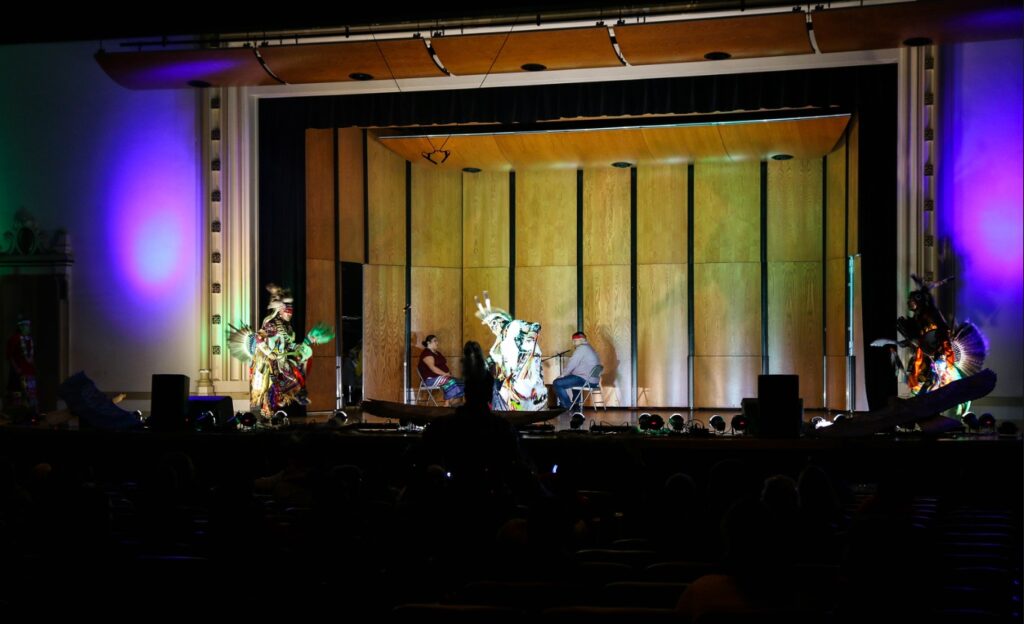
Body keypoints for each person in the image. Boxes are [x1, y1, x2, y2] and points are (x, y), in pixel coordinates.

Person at [228, 284, 334, 422]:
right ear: (279, 310)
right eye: (287, 311)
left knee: (294, 377)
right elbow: (258, 338)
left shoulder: (287, 328)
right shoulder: (272, 324)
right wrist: (269, 353)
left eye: (291, 311)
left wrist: (308, 340)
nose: (290, 313)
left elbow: (290, 345)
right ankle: (266, 414)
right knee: (268, 387)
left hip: (281, 360)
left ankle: (281, 406)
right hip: (268, 361)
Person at [552, 331, 601, 410]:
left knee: (557, 383)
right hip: (593, 381)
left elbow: (572, 363)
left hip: (586, 380)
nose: (573, 343)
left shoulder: (581, 348)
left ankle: (567, 405)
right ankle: (576, 404)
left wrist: (563, 374)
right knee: (574, 378)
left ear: (581, 340)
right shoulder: (589, 348)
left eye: (574, 341)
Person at [5, 317, 38, 419]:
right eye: (27, 326)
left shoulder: (30, 339)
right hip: (18, 372)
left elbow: (31, 357)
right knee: (17, 394)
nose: (29, 328)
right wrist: (16, 368)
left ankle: (32, 415)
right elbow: (10, 356)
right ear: (21, 327)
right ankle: (17, 415)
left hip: (29, 372)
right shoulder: (14, 339)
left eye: (29, 326)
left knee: (31, 395)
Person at [417, 335, 464, 405]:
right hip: (430, 379)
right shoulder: (426, 353)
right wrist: (445, 374)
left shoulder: (437, 353)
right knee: (450, 381)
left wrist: (448, 373)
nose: (437, 343)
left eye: (437, 341)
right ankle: (447, 404)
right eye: (435, 341)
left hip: (442, 377)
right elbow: (433, 368)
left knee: (461, 382)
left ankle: (449, 403)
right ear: (428, 343)